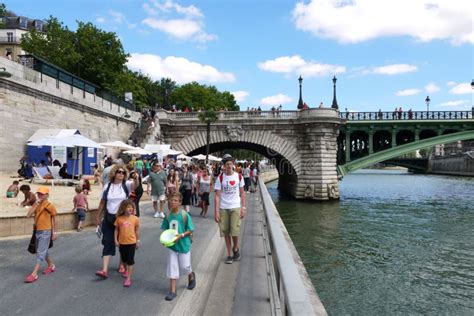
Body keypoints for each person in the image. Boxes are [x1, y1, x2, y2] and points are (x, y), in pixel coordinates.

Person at [95, 165, 136, 279]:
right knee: (107, 241)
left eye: (123, 173)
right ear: (114, 173)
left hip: (122, 219)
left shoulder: (126, 185)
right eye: (119, 172)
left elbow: (135, 186)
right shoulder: (107, 186)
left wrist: (136, 178)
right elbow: (102, 202)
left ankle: (122, 264)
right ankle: (104, 270)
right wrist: (97, 217)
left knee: (123, 243)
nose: (121, 174)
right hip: (109, 218)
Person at [161, 192, 195, 301]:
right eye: (171, 200)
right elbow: (165, 229)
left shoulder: (184, 215)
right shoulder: (167, 215)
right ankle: (173, 291)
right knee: (172, 267)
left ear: (180, 202)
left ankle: (191, 275)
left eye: (175, 200)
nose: (173, 202)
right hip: (172, 246)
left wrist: (182, 235)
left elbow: (190, 229)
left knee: (185, 266)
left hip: (183, 245)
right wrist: (164, 240)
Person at [214, 154, 246, 264]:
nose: (228, 166)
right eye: (227, 164)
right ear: (224, 166)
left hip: (235, 206)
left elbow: (242, 193)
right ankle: (229, 254)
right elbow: (217, 195)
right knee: (226, 232)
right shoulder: (220, 178)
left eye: (230, 164)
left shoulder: (239, 177)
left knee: (234, 231)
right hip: (224, 207)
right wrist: (216, 211)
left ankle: (235, 248)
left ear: (233, 165)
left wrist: (243, 207)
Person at [25, 186, 58, 283]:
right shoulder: (37, 204)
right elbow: (28, 215)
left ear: (47, 195)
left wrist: (55, 232)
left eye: (42, 194)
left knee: (40, 252)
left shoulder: (50, 206)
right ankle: (51, 265)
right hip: (37, 231)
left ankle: (34, 274)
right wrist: (35, 204)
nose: (40, 195)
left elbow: (55, 220)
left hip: (46, 231)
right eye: (39, 194)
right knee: (43, 250)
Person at [114, 199, 140, 287]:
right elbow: (116, 230)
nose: (130, 209)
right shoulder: (119, 219)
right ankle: (125, 270)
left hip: (132, 242)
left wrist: (138, 241)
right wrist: (115, 240)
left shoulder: (135, 219)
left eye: (131, 207)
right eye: (128, 207)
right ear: (123, 208)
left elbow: (136, 231)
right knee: (124, 259)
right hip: (122, 242)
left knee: (130, 260)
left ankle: (128, 278)